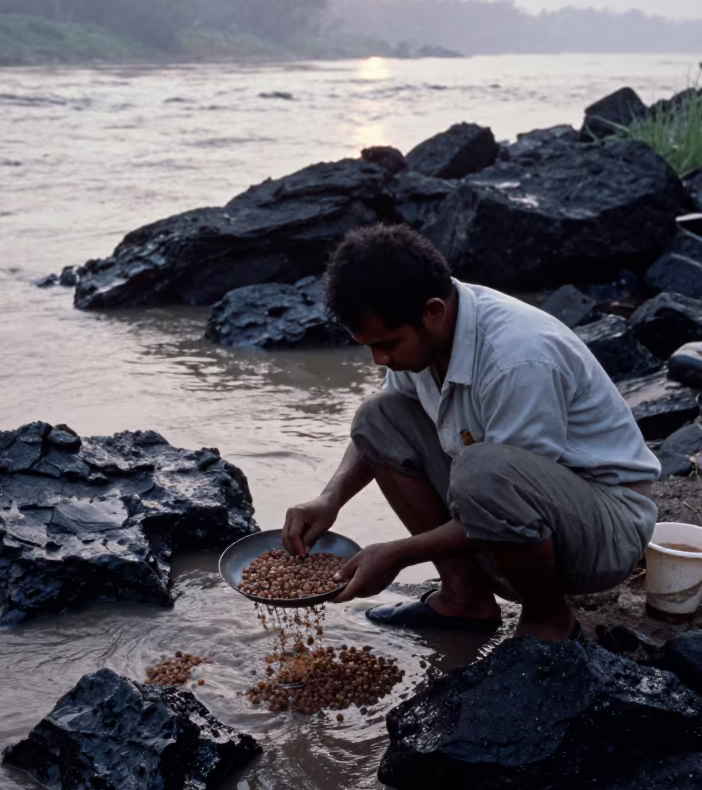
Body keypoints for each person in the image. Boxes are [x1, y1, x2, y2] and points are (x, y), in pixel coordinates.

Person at [281, 225, 659, 641]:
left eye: (387, 344)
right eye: (368, 347)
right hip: (522, 501)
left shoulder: (517, 358)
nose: (378, 360)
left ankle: (548, 620)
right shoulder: (430, 336)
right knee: (377, 416)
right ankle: (465, 598)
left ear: (433, 312)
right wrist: (330, 497)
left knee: (483, 469)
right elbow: (382, 430)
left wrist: (397, 554)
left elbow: (504, 489)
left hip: (606, 528)